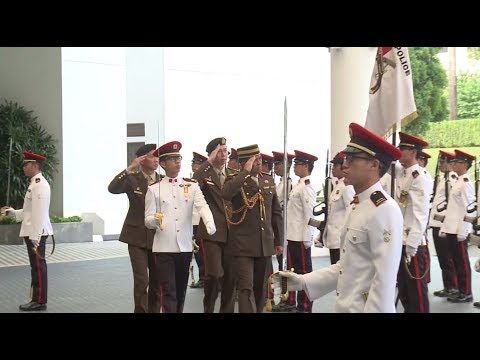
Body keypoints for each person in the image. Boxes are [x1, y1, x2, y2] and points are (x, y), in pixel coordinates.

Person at [276, 122, 403, 313]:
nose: (345, 164)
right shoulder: (357, 204)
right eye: (346, 158)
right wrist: (303, 281)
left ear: (374, 164)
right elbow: (346, 266)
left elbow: (384, 280)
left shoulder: (384, 209)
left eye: (352, 158)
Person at [145, 141, 216, 313]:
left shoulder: (191, 185)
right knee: (168, 291)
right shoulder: (154, 189)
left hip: (184, 246)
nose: (178, 162)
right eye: (172, 159)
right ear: (163, 163)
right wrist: (155, 219)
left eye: (179, 158)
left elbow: (202, 205)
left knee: (180, 291)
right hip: (163, 247)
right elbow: (147, 220)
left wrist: (209, 222)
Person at [222, 144, 283, 313]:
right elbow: (226, 194)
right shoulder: (234, 179)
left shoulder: (267, 180)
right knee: (246, 287)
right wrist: (245, 172)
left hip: (264, 244)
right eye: (254, 160)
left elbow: (276, 212)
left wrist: (278, 240)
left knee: (260, 287)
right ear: (244, 163)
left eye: (260, 159)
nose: (258, 163)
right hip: (243, 245)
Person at [108, 143, 161, 313]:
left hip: (158, 237)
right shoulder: (133, 178)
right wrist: (130, 168)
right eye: (153, 156)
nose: (156, 160)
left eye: (157, 156)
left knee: (157, 281)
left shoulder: (163, 181)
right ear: (142, 159)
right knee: (141, 280)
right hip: (137, 237)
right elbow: (113, 188)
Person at [2, 151, 54, 311]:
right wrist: (13, 212)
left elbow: (39, 213)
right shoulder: (34, 184)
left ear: (35, 165)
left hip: (35, 233)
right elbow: (29, 211)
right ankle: (36, 298)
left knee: (38, 267)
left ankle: (39, 301)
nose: (24, 167)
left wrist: (35, 237)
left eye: (26, 164)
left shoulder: (40, 185)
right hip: (33, 232)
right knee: (36, 267)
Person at [192, 137, 238, 312]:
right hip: (212, 234)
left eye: (225, 150)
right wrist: (208, 162)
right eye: (219, 151)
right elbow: (193, 183)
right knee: (214, 274)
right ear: (211, 154)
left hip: (232, 232)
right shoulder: (205, 174)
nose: (224, 154)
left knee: (230, 277)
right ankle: (209, 308)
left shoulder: (233, 175)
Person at [395, 131, 432, 313]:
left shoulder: (419, 177)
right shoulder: (401, 173)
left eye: (403, 148)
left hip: (412, 244)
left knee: (417, 292)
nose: (399, 150)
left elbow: (420, 214)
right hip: (399, 240)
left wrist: (412, 245)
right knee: (404, 289)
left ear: (413, 152)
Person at [281, 149, 318, 313]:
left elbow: (309, 214)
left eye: (297, 164)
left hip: (301, 237)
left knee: (304, 274)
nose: (294, 167)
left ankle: (304, 307)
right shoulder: (299, 185)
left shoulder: (307, 187)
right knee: (294, 271)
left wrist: (308, 237)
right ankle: (294, 303)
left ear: (306, 166)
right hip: (293, 236)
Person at [440, 149, 476, 303]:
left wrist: (465, 230)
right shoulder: (458, 181)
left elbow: (471, 208)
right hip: (452, 228)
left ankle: (466, 291)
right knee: (456, 261)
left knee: (462, 262)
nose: (453, 164)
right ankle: (460, 290)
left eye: (457, 162)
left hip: (459, 229)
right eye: (453, 162)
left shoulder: (466, 183)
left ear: (465, 164)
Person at [428, 150, 459, 298]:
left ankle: (452, 286)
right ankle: (448, 285)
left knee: (447, 258)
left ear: (450, 164)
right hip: (436, 223)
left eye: (442, 162)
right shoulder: (443, 179)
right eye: (440, 161)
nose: (440, 164)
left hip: (443, 224)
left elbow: (452, 204)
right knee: (442, 257)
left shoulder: (452, 179)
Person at [316, 152, 355, 265]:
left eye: (335, 166)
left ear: (343, 167)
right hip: (333, 236)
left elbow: (351, 210)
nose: (332, 169)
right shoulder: (337, 186)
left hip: (340, 237)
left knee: (339, 269)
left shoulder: (347, 187)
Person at [190, 151, 208, 288]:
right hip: (193, 221)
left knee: (203, 252)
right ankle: (202, 276)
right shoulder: (190, 179)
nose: (194, 166)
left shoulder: (204, 179)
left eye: (196, 163)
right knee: (197, 252)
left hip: (201, 221)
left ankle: (205, 277)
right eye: (193, 163)